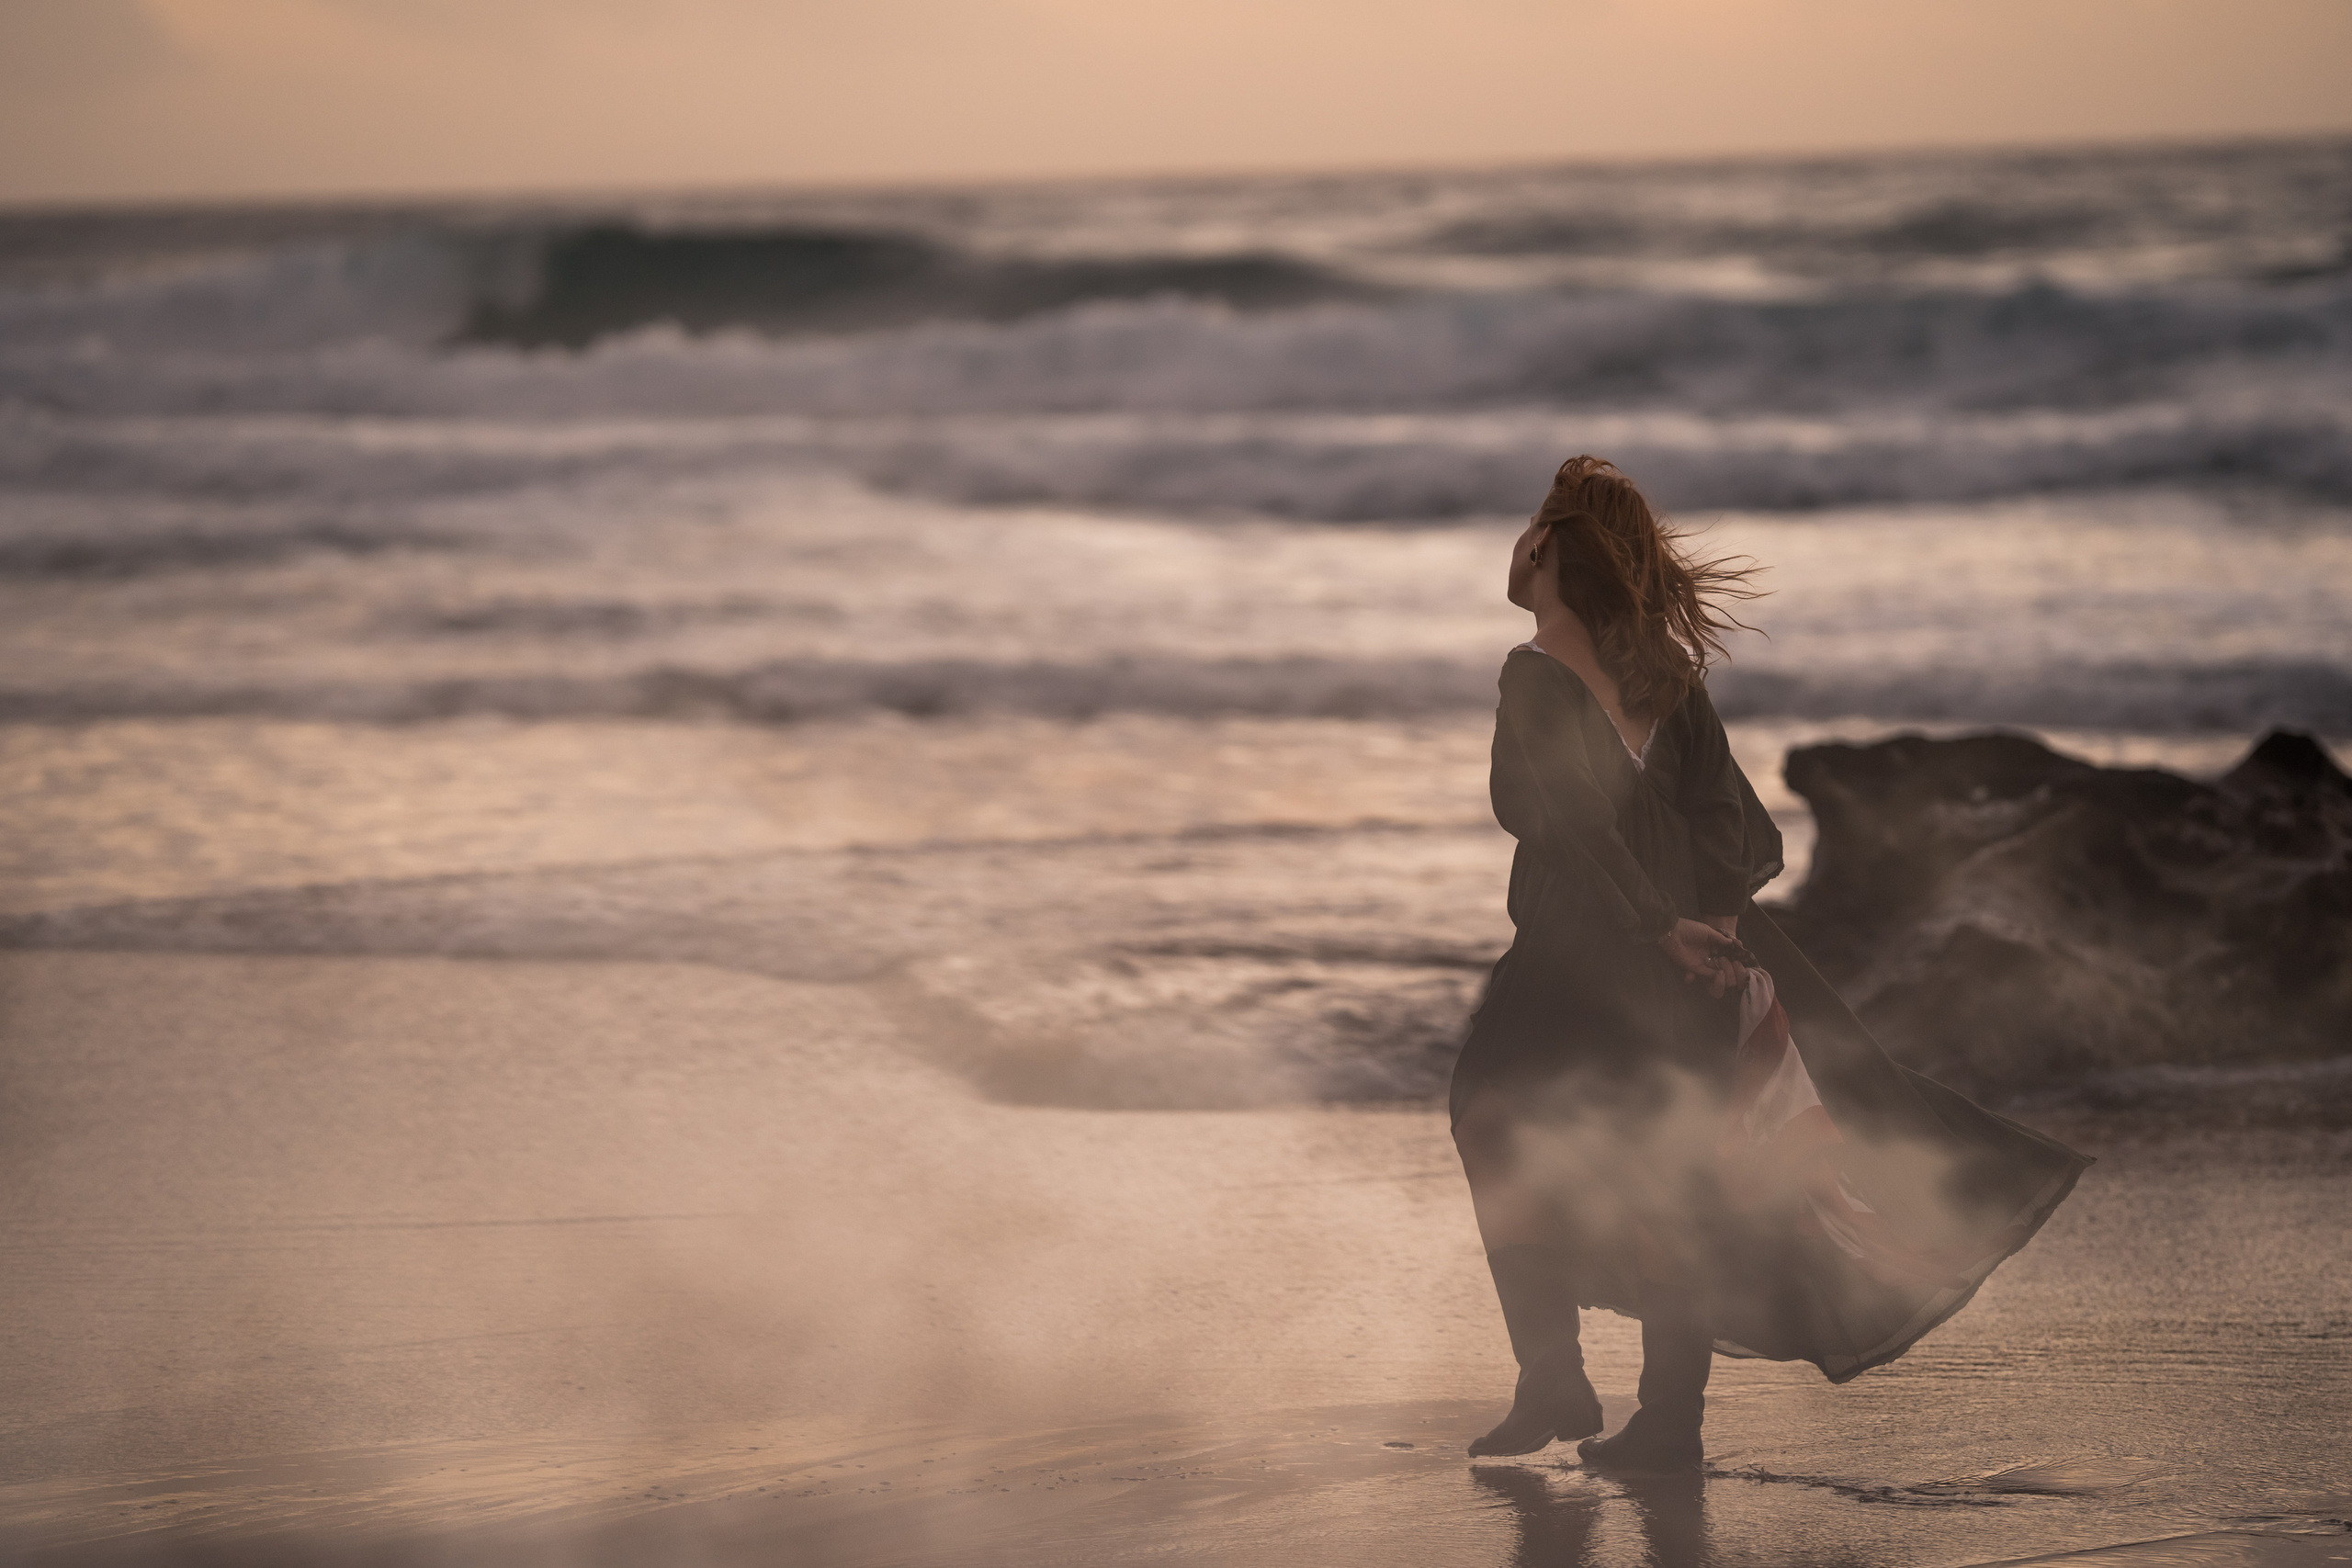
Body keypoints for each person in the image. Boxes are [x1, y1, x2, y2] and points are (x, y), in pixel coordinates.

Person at [1452, 456, 2089, 1472]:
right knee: (1677, 1168)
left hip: (1584, 952)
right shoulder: (1669, 678)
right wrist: (1708, 928)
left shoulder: (1532, 672)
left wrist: (1662, 927)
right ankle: (1666, 1421)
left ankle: (1552, 1373)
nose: (1520, 543)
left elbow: (1560, 817)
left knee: (1489, 1114)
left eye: (1536, 527)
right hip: (1697, 952)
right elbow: (1736, 827)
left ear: (1554, 554)